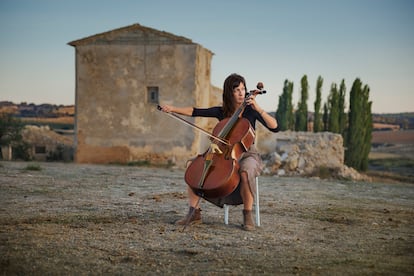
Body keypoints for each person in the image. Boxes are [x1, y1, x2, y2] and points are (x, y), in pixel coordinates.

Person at [160, 73, 279, 231]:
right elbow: (195, 111)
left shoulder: (251, 111)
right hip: (223, 152)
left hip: (248, 153)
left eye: (243, 89)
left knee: (246, 170)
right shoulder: (221, 112)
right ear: (229, 93)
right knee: (193, 165)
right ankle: (194, 212)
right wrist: (172, 109)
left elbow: (275, 127)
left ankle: (247, 214)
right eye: (236, 90)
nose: (241, 93)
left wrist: (258, 108)